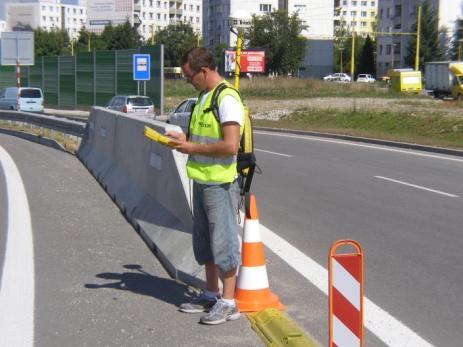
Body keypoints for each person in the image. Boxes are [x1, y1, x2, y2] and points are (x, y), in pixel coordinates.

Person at [166, 47, 244, 325]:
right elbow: (199, 136)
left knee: (224, 244)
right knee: (205, 243)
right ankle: (212, 293)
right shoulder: (202, 98)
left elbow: (230, 145)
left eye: (190, 77)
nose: (189, 82)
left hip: (221, 184)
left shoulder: (227, 98)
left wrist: (190, 146)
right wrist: (181, 138)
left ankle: (229, 302)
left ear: (204, 70)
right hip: (201, 180)